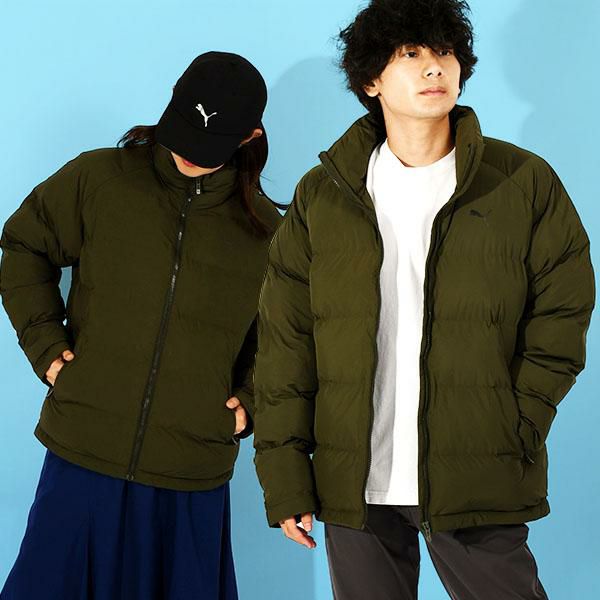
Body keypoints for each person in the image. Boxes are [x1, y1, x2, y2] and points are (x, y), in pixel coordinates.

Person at [251, 1, 595, 599]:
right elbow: (286, 342)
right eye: (410, 54)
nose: (434, 67)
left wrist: (518, 422)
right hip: (355, 483)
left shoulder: (521, 181)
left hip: (477, 467)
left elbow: (563, 310)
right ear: (371, 81)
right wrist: (285, 475)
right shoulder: (324, 196)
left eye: (444, 52)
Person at [0, 51, 282, 599]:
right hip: (84, 448)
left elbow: (283, 337)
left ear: (249, 136)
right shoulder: (100, 179)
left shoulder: (266, 233)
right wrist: (46, 347)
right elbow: (24, 245)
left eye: (209, 144)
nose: (190, 153)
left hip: (189, 471)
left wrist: (249, 402)